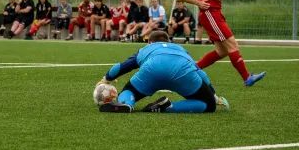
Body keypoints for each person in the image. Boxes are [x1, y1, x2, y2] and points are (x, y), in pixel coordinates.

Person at [177, 0, 266, 86]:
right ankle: (247, 78)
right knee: (232, 44)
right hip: (209, 15)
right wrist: (198, 2)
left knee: (222, 51)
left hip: (217, 14)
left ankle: (192, 69)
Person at [98, 30, 229, 113]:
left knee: (128, 92)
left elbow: (122, 66)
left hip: (152, 70)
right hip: (182, 70)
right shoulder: (179, 48)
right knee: (209, 105)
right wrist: (213, 95)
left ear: (150, 42)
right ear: (168, 41)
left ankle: (126, 104)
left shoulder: (146, 48)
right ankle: (168, 107)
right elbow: (201, 73)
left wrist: (106, 79)